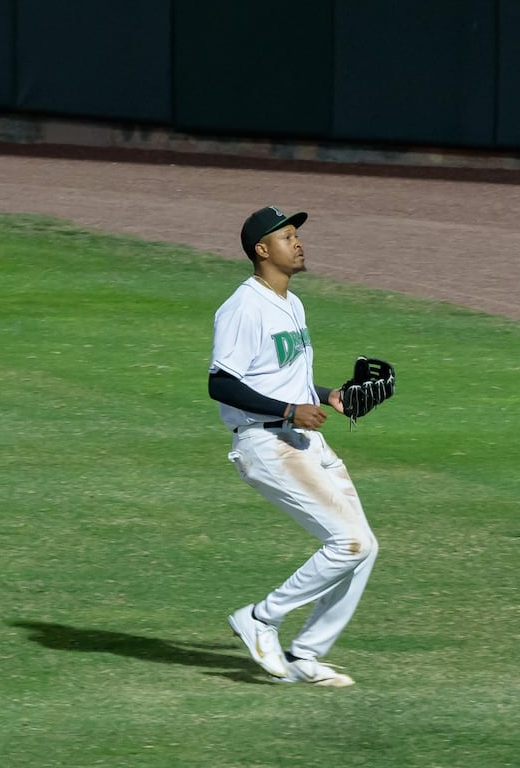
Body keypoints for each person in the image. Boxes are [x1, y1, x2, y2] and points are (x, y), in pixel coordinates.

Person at [207, 205, 379, 688]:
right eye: (286, 236)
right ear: (262, 250)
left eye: (296, 235)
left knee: (363, 548)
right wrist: (288, 411)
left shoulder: (292, 303)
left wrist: (332, 397)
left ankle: (306, 654)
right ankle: (261, 617)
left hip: (304, 439)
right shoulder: (243, 306)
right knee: (349, 542)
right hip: (266, 442)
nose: (298, 243)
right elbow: (221, 384)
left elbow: (288, 380)